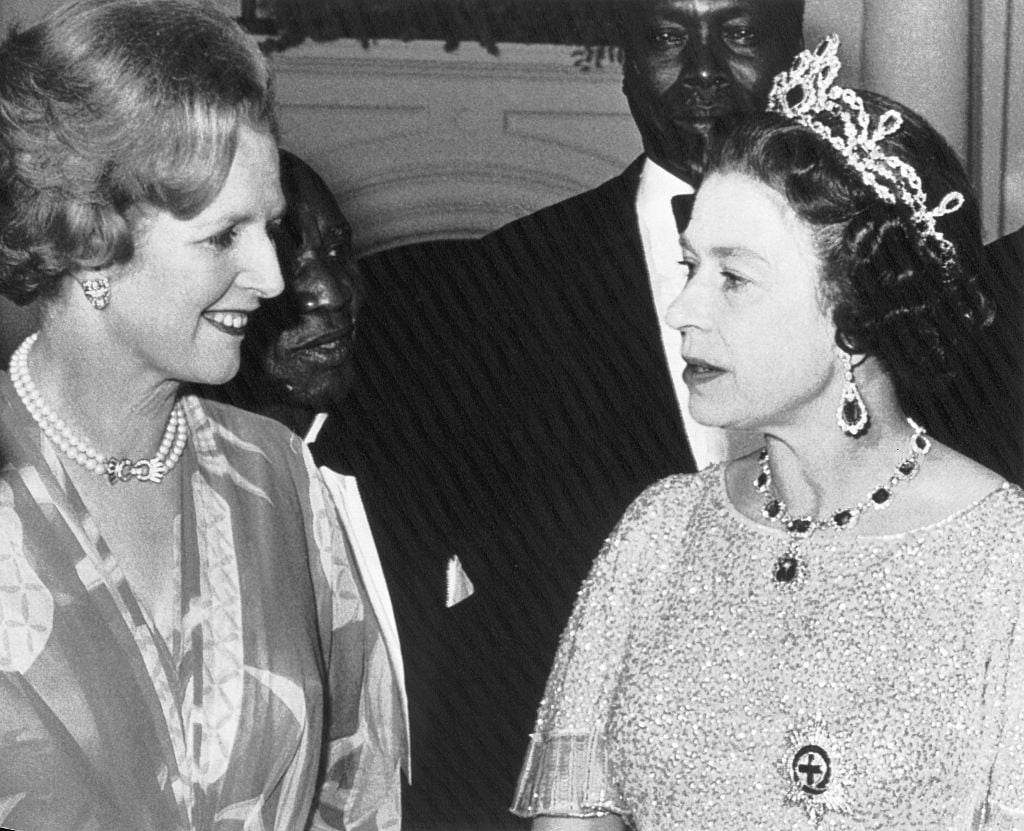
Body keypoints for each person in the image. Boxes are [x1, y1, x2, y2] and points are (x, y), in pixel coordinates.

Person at [511, 36, 1024, 828]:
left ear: (857, 312)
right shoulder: (657, 532)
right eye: (689, 266)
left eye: (734, 277)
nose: (684, 309)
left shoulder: (1001, 564)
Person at [337, 1, 808, 825]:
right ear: (624, 61)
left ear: (793, 51)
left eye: (736, 33)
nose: (700, 69)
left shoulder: (865, 277)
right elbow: (421, 601)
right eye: (667, 36)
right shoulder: (502, 287)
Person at [0, 2, 401, 829]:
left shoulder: (278, 473)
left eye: (273, 228)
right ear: (89, 240)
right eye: (223, 238)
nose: (273, 276)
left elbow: (361, 788)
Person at [210, 147, 409, 773]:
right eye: (287, 254)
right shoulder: (159, 497)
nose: (331, 292)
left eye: (335, 252)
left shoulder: (428, 462)